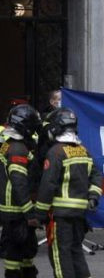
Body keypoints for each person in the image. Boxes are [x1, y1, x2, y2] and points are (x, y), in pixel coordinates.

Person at [34, 107, 102, 278]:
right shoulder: (83, 150)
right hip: (79, 213)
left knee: (60, 255)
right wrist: (93, 197)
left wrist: (40, 213)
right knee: (76, 251)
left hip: (59, 215)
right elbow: (96, 176)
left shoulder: (55, 152)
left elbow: (48, 185)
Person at [0, 104, 41, 278]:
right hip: (16, 209)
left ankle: (26, 271)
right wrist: (29, 212)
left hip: (14, 208)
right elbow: (19, 182)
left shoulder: (10, 144)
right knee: (15, 251)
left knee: (25, 248)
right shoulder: (17, 149)